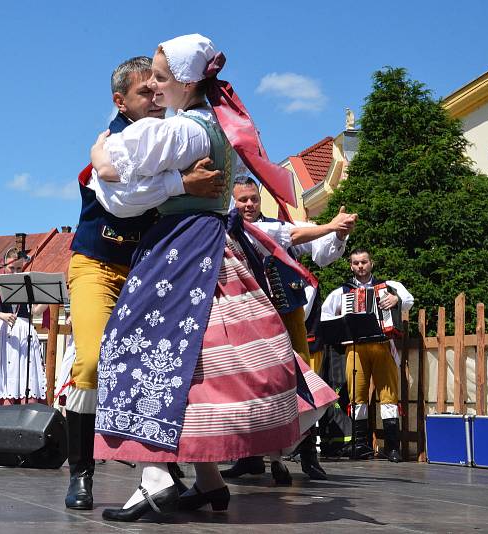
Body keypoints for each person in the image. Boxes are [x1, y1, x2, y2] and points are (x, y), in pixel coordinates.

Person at [88, 34, 336, 522]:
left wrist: (99, 155)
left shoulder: (185, 132)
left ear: (184, 82)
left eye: (160, 78)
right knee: (196, 354)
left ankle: (156, 476)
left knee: (140, 344)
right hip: (205, 244)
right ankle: (208, 480)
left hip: (183, 247)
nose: (155, 89)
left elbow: (116, 165)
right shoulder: (214, 127)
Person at [64, 55, 222, 510]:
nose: (156, 98)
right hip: (96, 263)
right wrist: (181, 184)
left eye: (158, 90)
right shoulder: (114, 142)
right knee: (93, 363)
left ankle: (165, 471)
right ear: (120, 101)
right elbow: (121, 204)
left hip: (144, 267)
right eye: (144, 93)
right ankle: (80, 473)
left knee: (164, 363)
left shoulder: (165, 139)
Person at [222, 176, 356, 482]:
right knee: (250, 385)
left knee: (302, 382)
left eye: (253, 198)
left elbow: (323, 254)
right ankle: (250, 457)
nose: (249, 205)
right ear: (233, 201)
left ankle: (308, 456)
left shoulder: (283, 226)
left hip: (288, 315)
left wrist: (338, 234)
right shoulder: (230, 234)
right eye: (242, 200)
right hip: (250, 320)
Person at [321, 248, 414, 462]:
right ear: (351, 265)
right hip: (355, 347)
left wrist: (396, 299)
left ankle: (392, 447)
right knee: (357, 397)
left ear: (371, 263)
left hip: (383, 344)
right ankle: (360, 445)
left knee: (389, 396)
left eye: (363, 262)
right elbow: (325, 315)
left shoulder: (390, 286)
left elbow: (409, 300)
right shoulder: (342, 292)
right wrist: (343, 322)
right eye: (356, 263)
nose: (360, 266)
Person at [0, 248, 48, 406]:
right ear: (3, 266)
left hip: (24, 337)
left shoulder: (28, 289)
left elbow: (35, 311)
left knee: (25, 380)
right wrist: (0, 315)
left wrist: (48, 297)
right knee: (1, 381)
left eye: (18, 269)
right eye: (12, 268)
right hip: (2, 339)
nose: (15, 272)